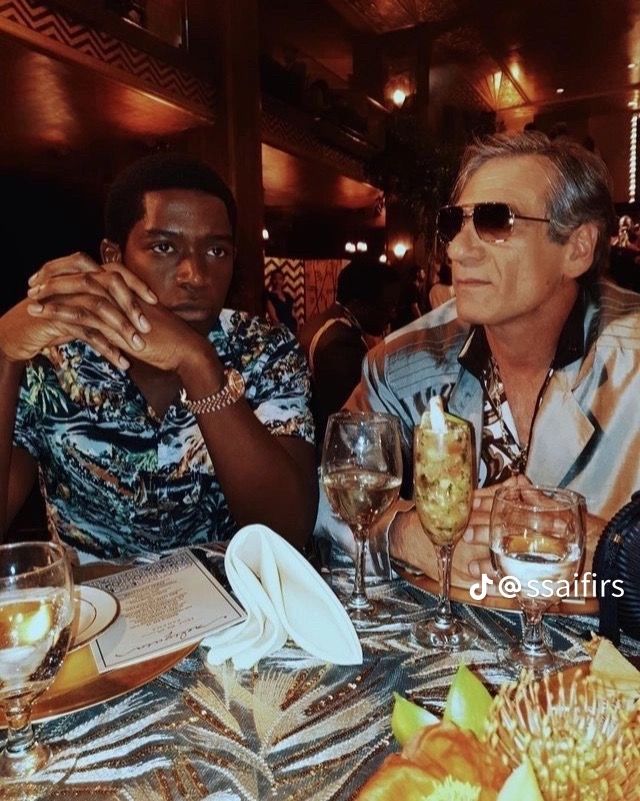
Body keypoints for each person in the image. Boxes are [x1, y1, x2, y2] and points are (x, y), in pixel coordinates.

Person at [316, 131, 640, 588]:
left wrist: (615, 551)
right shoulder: (403, 364)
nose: (457, 250)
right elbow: (330, 496)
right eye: (455, 224)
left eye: (496, 222)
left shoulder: (633, 361)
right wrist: (405, 534)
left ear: (577, 248)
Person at [0, 152, 317, 560]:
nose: (195, 275)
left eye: (216, 251)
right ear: (114, 257)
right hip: (96, 614)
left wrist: (197, 361)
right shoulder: (55, 361)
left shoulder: (264, 350)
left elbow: (288, 531)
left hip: (234, 614)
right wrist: (5, 354)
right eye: (164, 246)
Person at [298, 256, 400, 448]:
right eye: (387, 306)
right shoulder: (341, 342)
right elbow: (353, 420)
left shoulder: (323, 321)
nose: (393, 314)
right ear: (359, 304)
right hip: (327, 450)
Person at [265, 269, 298, 334]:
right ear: (271, 280)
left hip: (293, 329)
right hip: (281, 331)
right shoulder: (269, 296)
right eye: (275, 279)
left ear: (283, 280)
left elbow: (293, 314)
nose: (277, 281)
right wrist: (284, 332)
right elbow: (274, 318)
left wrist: (298, 327)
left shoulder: (287, 295)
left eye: (280, 279)